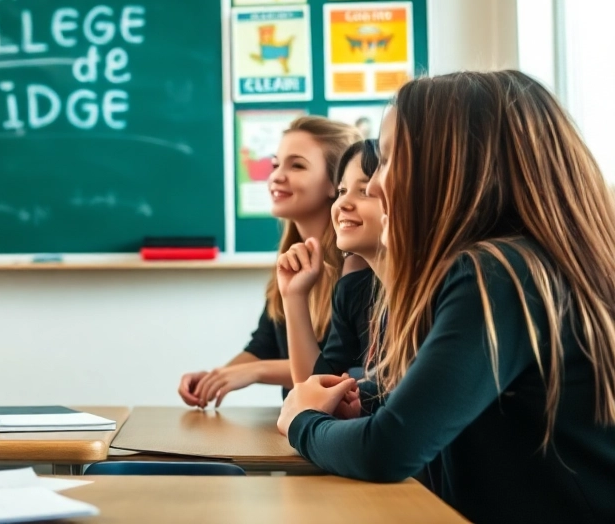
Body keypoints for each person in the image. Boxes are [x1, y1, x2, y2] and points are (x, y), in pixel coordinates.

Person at [279, 71, 615, 523]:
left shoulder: (497, 273)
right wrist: (371, 402)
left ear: (459, 166)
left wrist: (303, 422)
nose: (377, 185)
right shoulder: (515, 265)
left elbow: (388, 451)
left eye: (392, 159)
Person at [179, 116, 361, 407]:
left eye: (297, 165)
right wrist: (216, 377)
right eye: (276, 164)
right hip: (299, 427)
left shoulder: (359, 267)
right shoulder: (292, 259)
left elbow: (339, 373)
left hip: (331, 430)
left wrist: (255, 372)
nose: (276, 176)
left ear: (335, 184)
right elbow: (263, 347)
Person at [278, 139, 381, 384]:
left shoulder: (431, 293)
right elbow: (313, 388)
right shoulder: (353, 289)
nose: (343, 203)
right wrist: (293, 296)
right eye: (343, 191)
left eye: (365, 191)